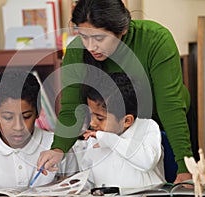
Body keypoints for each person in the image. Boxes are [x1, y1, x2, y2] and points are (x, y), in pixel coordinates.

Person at [37, 0, 193, 184]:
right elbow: (71, 109)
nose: (90, 47)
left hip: (161, 131)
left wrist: (184, 167)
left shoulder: (155, 39)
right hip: (111, 132)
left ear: (123, 29)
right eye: (84, 37)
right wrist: (58, 150)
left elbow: (170, 106)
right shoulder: (76, 51)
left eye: (99, 38)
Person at [0, 70, 78, 191]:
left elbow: (78, 190)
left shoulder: (58, 148)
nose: (18, 127)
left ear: (38, 111)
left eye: (26, 117)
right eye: (8, 117)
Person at [79, 72, 165, 188]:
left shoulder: (148, 128)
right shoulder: (96, 136)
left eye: (100, 118)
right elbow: (88, 176)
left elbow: (147, 162)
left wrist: (109, 140)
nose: (92, 123)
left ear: (127, 121)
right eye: (91, 115)